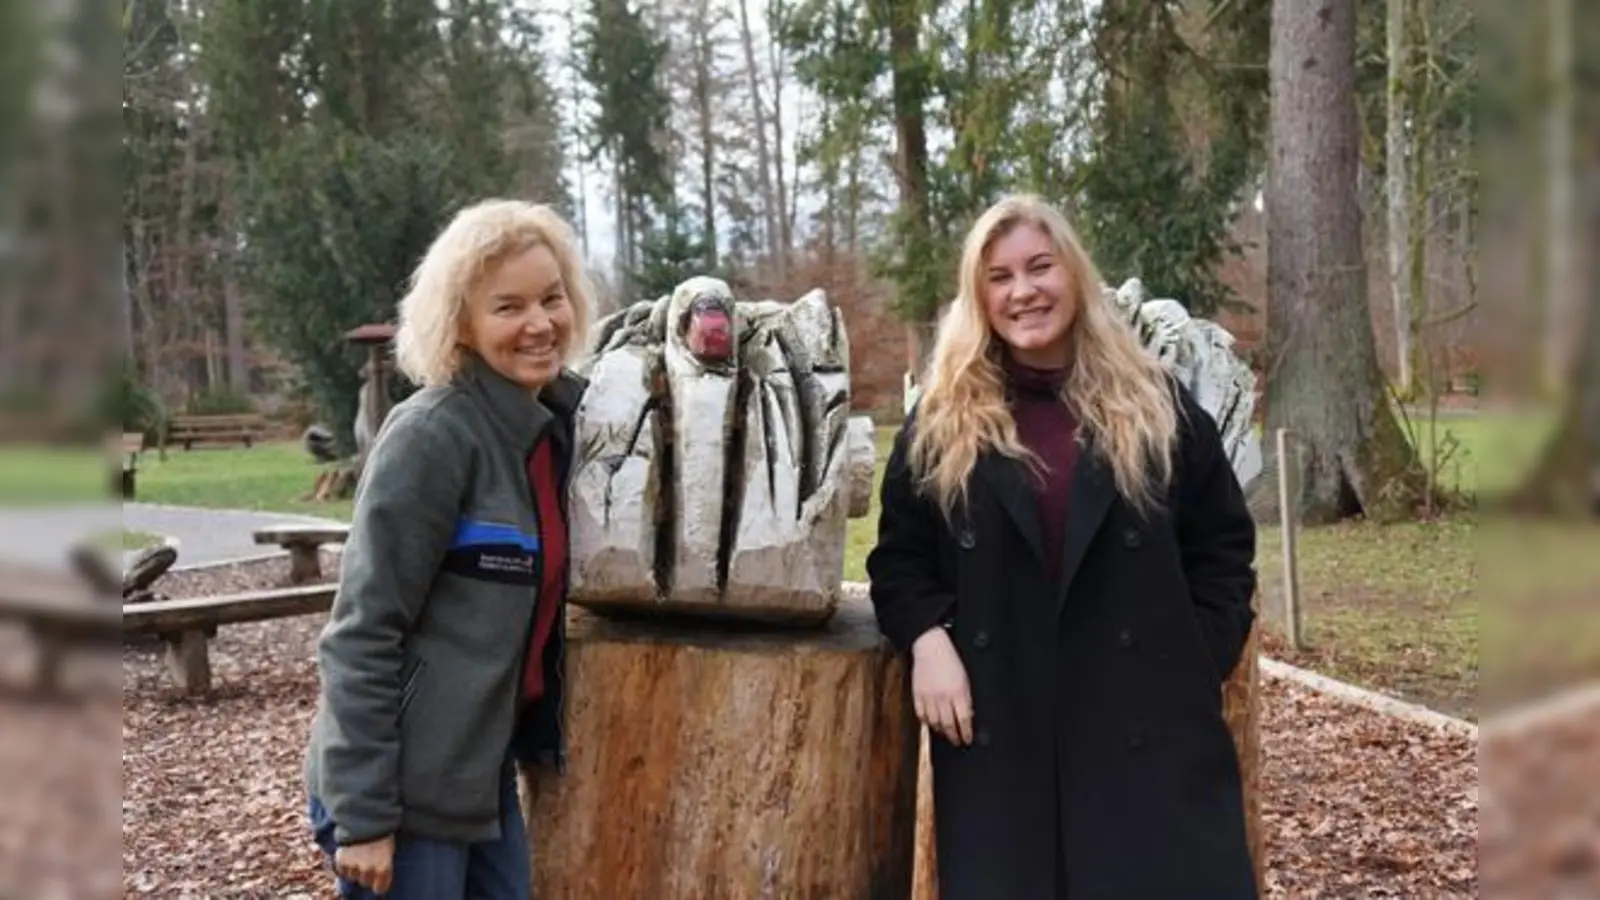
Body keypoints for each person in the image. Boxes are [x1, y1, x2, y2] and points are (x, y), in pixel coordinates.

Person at [867, 194, 1258, 899]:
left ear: (1073, 275)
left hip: (1147, 737)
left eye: (1040, 267)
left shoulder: (1155, 404)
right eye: (1000, 276)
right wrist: (926, 639)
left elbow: (1224, 546)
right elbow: (898, 556)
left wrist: (1194, 660)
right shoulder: (942, 421)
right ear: (979, 296)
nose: (1023, 291)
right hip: (1002, 738)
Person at [302, 198, 592, 899]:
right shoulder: (433, 438)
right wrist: (365, 814)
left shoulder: (547, 426)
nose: (539, 323)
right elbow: (361, 634)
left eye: (551, 298)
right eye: (507, 307)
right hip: (402, 785)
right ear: (460, 323)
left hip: (478, 771)